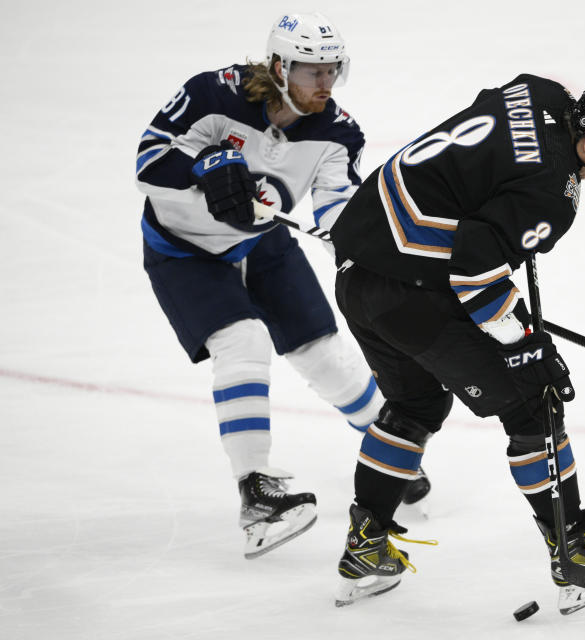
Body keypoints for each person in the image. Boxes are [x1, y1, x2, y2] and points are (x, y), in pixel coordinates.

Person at [329, 75, 585, 611]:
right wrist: (522, 340)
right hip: (411, 290)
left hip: (357, 271)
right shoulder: (553, 194)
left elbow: (485, 160)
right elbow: (475, 275)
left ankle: (365, 549)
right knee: (535, 401)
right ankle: (572, 549)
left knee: (415, 402)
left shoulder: (540, 91)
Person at [134, 12, 429, 560]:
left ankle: (389, 449)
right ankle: (255, 493)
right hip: (185, 252)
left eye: (331, 71)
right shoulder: (211, 96)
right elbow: (149, 162)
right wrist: (203, 165)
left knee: (323, 353)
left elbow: (338, 209)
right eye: (311, 71)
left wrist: (371, 251)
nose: (324, 83)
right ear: (279, 66)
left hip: (262, 243)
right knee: (242, 343)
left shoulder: (337, 132)